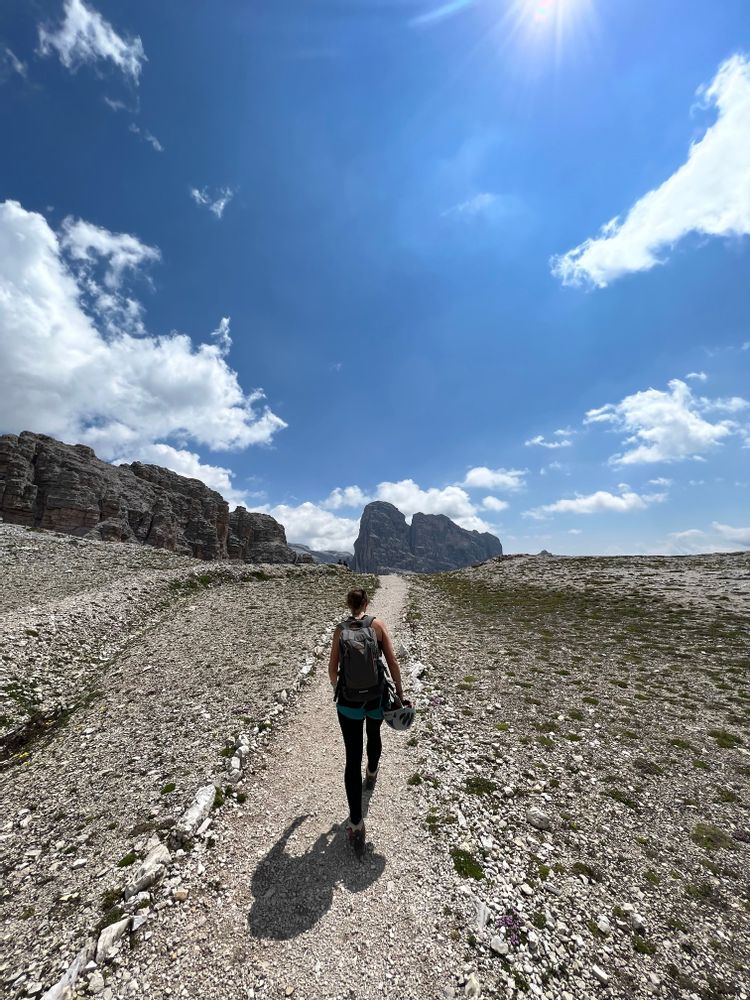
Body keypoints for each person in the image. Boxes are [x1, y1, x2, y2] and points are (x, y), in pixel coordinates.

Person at [328, 587, 409, 853]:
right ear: (366, 603)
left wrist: (339, 689)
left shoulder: (340, 630)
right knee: (374, 735)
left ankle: (355, 823)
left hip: (348, 703)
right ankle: (372, 773)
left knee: (352, 757)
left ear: (348, 604)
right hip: (375, 698)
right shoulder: (378, 626)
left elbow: (332, 669)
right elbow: (392, 662)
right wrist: (399, 693)